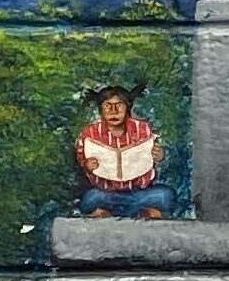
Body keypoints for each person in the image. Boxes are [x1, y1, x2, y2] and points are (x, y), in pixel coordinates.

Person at [74, 82, 177, 217]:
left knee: (166, 196)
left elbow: (156, 152)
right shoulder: (90, 133)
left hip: (139, 192)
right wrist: (86, 165)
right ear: (101, 110)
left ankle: (119, 212)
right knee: (89, 199)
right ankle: (137, 211)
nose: (114, 111)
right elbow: (82, 157)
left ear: (128, 108)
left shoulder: (143, 128)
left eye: (119, 105)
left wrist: (160, 154)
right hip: (106, 193)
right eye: (107, 106)